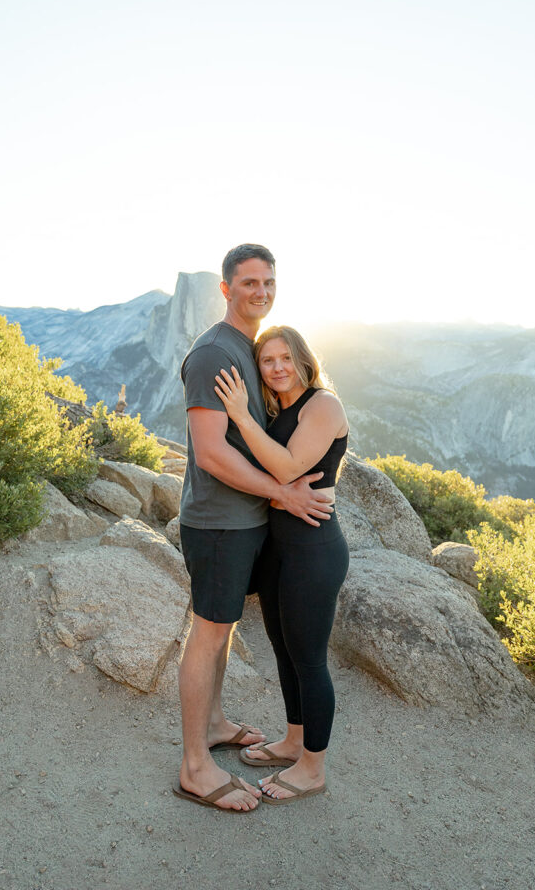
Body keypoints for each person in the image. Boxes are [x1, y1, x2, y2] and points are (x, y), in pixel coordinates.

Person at [174, 246, 334, 813]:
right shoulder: (216, 352)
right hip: (219, 523)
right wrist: (284, 493)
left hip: (245, 524)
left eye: (268, 281)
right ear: (225, 289)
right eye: (248, 283)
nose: (260, 291)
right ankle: (196, 766)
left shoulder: (250, 346)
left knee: (224, 631)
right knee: (210, 635)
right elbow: (212, 454)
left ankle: (214, 722)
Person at [213, 324, 349, 804]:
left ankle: (313, 767)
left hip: (314, 549)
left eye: (284, 358)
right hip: (279, 548)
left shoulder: (323, 405)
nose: (276, 368)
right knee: (285, 650)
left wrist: (239, 415)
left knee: (309, 659)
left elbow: (289, 467)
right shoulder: (280, 409)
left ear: (302, 358)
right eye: (267, 361)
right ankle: (294, 739)